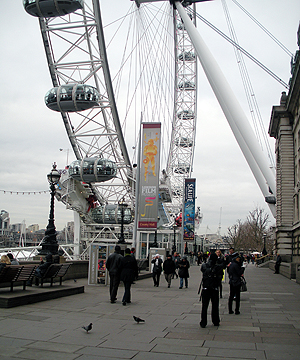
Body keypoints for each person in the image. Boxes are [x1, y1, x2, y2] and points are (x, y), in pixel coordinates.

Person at [199, 253, 224, 328]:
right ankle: (215, 320)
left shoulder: (204, 266)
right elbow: (220, 277)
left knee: (204, 306)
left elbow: (202, 271)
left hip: (206, 287)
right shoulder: (218, 267)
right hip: (214, 288)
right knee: (215, 306)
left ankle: (203, 322)